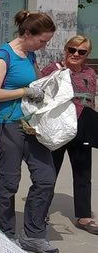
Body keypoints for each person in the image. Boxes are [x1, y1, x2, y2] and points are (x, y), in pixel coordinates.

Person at [0, 10, 58, 253]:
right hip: (5, 125)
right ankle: (4, 234)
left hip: (30, 126)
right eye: (42, 40)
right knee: (9, 181)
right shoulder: (3, 56)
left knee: (46, 177)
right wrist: (24, 92)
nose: (44, 45)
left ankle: (34, 235)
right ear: (27, 33)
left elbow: (36, 84)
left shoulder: (30, 55)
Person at [41, 35, 97, 234]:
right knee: (49, 171)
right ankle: (40, 212)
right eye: (72, 49)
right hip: (58, 126)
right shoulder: (53, 69)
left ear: (86, 55)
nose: (75, 54)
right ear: (65, 49)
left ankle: (83, 216)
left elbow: (91, 100)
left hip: (82, 128)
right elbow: (39, 93)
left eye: (81, 52)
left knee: (83, 172)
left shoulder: (90, 73)